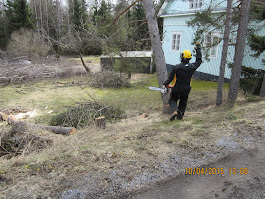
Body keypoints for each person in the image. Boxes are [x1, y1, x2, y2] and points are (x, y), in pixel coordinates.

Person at [163, 43, 202, 121]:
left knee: (172, 100)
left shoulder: (176, 67)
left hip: (176, 88)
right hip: (186, 88)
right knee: (183, 102)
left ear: (182, 57)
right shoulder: (192, 67)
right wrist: (198, 50)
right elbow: (199, 60)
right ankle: (180, 117)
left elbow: (170, 78)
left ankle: (174, 111)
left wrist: (165, 84)